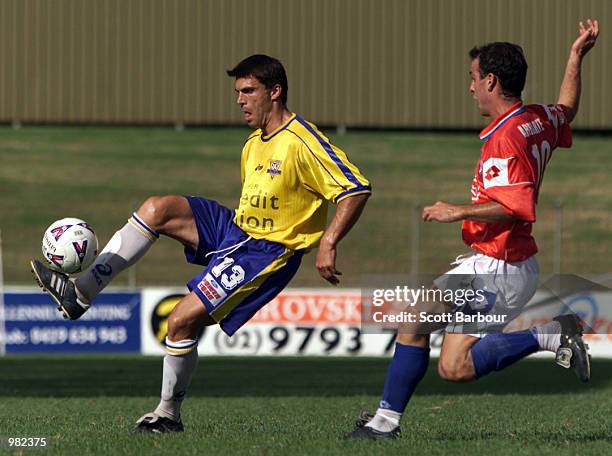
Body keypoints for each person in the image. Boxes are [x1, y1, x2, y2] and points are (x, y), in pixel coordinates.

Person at [30, 54, 371, 433]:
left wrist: (328, 242)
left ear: (275, 92)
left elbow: (355, 189)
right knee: (158, 208)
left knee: (180, 321)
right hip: (237, 232)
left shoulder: (302, 141)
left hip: (267, 252)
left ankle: (167, 415)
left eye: (248, 91)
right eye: (237, 92)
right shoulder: (253, 144)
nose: (240, 100)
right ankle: (82, 292)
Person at [348, 20, 599, 440]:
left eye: (473, 78)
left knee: (436, 345)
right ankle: (384, 423)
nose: (470, 88)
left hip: (501, 268)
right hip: (497, 262)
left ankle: (384, 424)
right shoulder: (536, 118)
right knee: (445, 360)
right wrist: (574, 58)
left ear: (491, 81)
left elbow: (518, 206)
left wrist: (456, 210)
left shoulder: (507, 138)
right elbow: (567, 108)